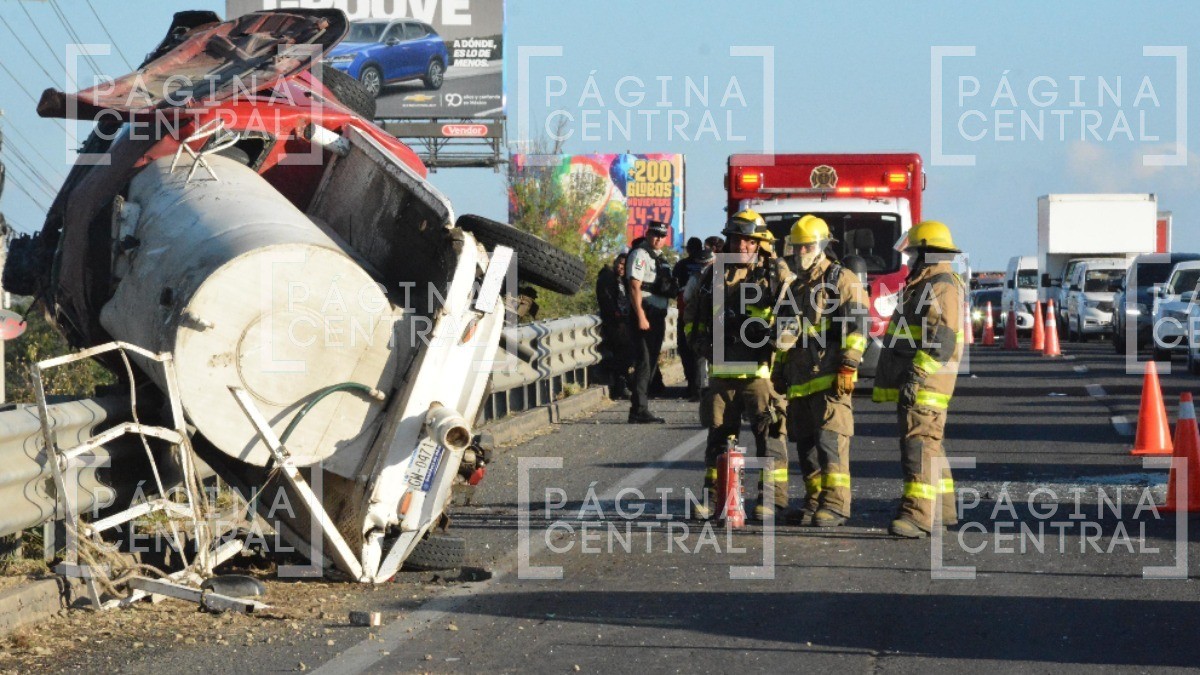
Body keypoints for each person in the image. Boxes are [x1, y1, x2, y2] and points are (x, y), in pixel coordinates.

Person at [684, 210, 793, 519]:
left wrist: (778, 342)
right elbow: (691, 314)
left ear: (759, 243)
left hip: (760, 373)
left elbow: (793, 315)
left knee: (769, 436)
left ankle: (770, 500)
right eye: (737, 239)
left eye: (749, 240)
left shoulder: (775, 273)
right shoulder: (712, 274)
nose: (742, 246)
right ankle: (715, 498)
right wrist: (698, 343)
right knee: (718, 437)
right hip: (721, 372)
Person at [872, 220, 965, 538]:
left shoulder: (939, 285)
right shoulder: (931, 283)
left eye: (913, 254)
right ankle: (942, 511)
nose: (909, 260)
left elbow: (942, 338)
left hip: (926, 382)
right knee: (931, 447)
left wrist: (916, 375)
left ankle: (917, 516)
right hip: (927, 381)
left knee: (919, 447)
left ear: (927, 252)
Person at [774, 216, 870, 527]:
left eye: (807, 246)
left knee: (830, 443)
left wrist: (849, 363)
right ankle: (814, 501)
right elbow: (787, 333)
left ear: (822, 246)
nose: (801, 252)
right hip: (801, 381)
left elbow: (858, 327)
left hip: (830, 376)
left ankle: (836, 504)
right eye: (797, 246)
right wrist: (780, 371)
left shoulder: (842, 280)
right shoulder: (797, 285)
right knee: (806, 448)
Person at [626, 221, 677, 424]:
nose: (658, 239)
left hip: (658, 314)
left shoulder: (661, 258)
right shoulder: (640, 254)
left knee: (652, 361)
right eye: (655, 234)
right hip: (645, 313)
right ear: (647, 234)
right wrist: (640, 316)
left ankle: (641, 405)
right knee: (645, 361)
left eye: (662, 236)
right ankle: (638, 409)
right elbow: (634, 286)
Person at [673, 237, 710, 399]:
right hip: (707, 317)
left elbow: (683, 294)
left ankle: (695, 387)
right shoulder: (717, 271)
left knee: (690, 351)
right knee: (700, 355)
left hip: (689, 316)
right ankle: (700, 387)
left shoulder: (686, 268)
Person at [596, 249, 634, 399]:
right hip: (615, 323)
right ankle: (620, 385)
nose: (620, 266)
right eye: (619, 262)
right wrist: (617, 319)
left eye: (624, 265)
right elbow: (607, 300)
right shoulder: (607, 278)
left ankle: (623, 382)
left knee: (628, 354)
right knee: (622, 354)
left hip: (626, 322)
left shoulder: (625, 280)